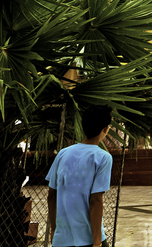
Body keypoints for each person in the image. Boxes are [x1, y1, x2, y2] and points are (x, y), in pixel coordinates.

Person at [46, 105, 114, 247]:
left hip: (62, 239)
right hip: (89, 238)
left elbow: (52, 195)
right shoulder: (103, 157)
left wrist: (54, 230)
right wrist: (97, 242)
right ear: (106, 129)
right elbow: (95, 200)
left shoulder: (63, 154)